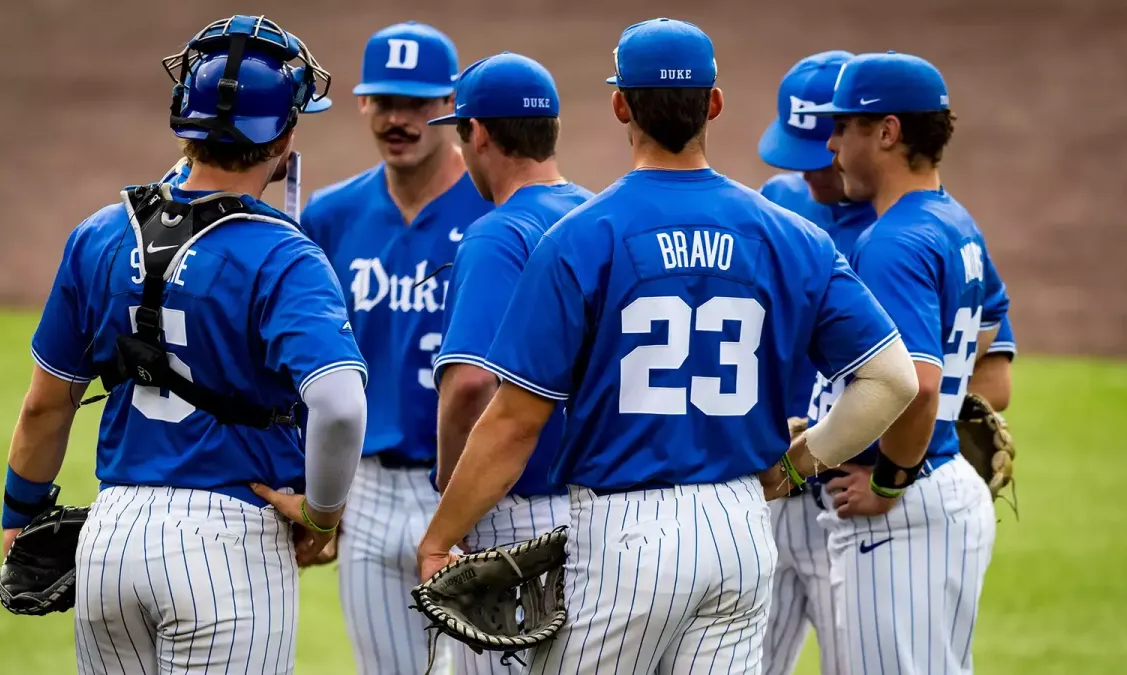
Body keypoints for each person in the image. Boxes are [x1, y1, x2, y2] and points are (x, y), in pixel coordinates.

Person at [417, 18, 921, 674]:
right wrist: (801, 462)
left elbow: (513, 424)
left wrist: (439, 538)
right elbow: (893, 380)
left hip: (624, 536)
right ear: (714, 103)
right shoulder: (790, 235)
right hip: (741, 526)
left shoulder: (580, 237)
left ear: (621, 104)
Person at [0, 15, 367, 673]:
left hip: (111, 536)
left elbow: (43, 406)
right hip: (228, 545)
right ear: (286, 136)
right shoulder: (285, 255)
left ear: (182, 122)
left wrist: (18, 516)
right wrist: (320, 515)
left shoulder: (100, 236)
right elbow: (339, 407)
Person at [804, 51, 1010, 674]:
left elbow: (916, 387)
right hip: (943, 493)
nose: (833, 145)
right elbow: (988, 336)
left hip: (901, 508)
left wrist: (892, 478)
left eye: (845, 127)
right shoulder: (954, 221)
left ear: (887, 132)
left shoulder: (893, 242)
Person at [300, 20, 492, 675]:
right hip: (370, 487)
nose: (398, 118)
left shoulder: (494, 211)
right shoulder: (331, 215)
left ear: (452, 106)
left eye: (417, 103)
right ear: (361, 104)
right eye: (384, 101)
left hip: (475, 486)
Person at [427, 51, 594, 674]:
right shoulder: (598, 217)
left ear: (478, 134)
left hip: (516, 517)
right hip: (609, 515)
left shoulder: (500, 234)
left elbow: (470, 384)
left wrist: (453, 489)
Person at [754, 49, 873, 675]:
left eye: (823, 153)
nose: (812, 175)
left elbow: (978, 367)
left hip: (847, 501)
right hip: (767, 493)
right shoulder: (774, 204)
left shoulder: (900, 229)